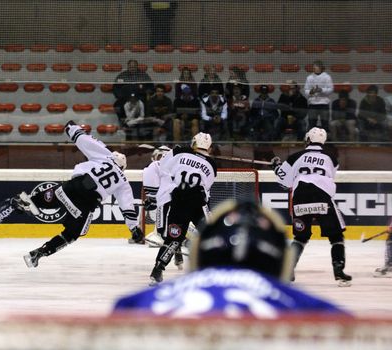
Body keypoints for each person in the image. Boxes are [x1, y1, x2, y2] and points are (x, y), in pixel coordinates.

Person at [113, 200, 348, 317]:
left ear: (200, 256)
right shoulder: (313, 310)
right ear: (279, 263)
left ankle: (158, 267)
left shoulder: (134, 305)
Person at [15, 121, 145, 268]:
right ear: (123, 168)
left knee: (56, 195)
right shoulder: (123, 181)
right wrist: (134, 229)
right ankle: (39, 253)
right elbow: (127, 206)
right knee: (72, 234)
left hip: (73, 187)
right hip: (85, 203)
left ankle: (30, 202)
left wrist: (71, 128)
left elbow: (84, 140)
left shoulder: (105, 156)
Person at [271, 127, 352, 286]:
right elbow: (329, 176)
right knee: (336, 237)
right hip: (322, 197)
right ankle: (339, 272)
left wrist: (276, 166)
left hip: (300, 197)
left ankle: (288, 270)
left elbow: (283, 182)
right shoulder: (332, 158)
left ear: (307, 139)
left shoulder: (295, 157)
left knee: (300, 237)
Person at [149, 132, 217, 285]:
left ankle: (157, 271)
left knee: (173, 238)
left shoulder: (180, 152)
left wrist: (175, 152)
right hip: (198, 203)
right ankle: (218, 268)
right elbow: (207, 186)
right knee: (212, 234)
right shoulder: (212, 164)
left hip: (179, 201)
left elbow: (165, 167)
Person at [142, 145, 171, 248]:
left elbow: (149, 177)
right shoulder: (178, 165)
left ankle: (161, 236)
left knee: (163, 210)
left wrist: (152, 197)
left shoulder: (155, 165)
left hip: (168, 198)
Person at [304, 60, 333, 131]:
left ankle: (324, 141)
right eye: (313, 67)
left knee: (325, 124)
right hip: (312, 104)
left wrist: (321, 90)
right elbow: (306, 90)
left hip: (324, 104)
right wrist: (312, 91)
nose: (314, 68)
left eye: (315, 67)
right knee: (311, 124)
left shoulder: (327, 77)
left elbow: (330, 90)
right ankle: (311, 141)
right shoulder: (309, 77)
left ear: (320, 67)